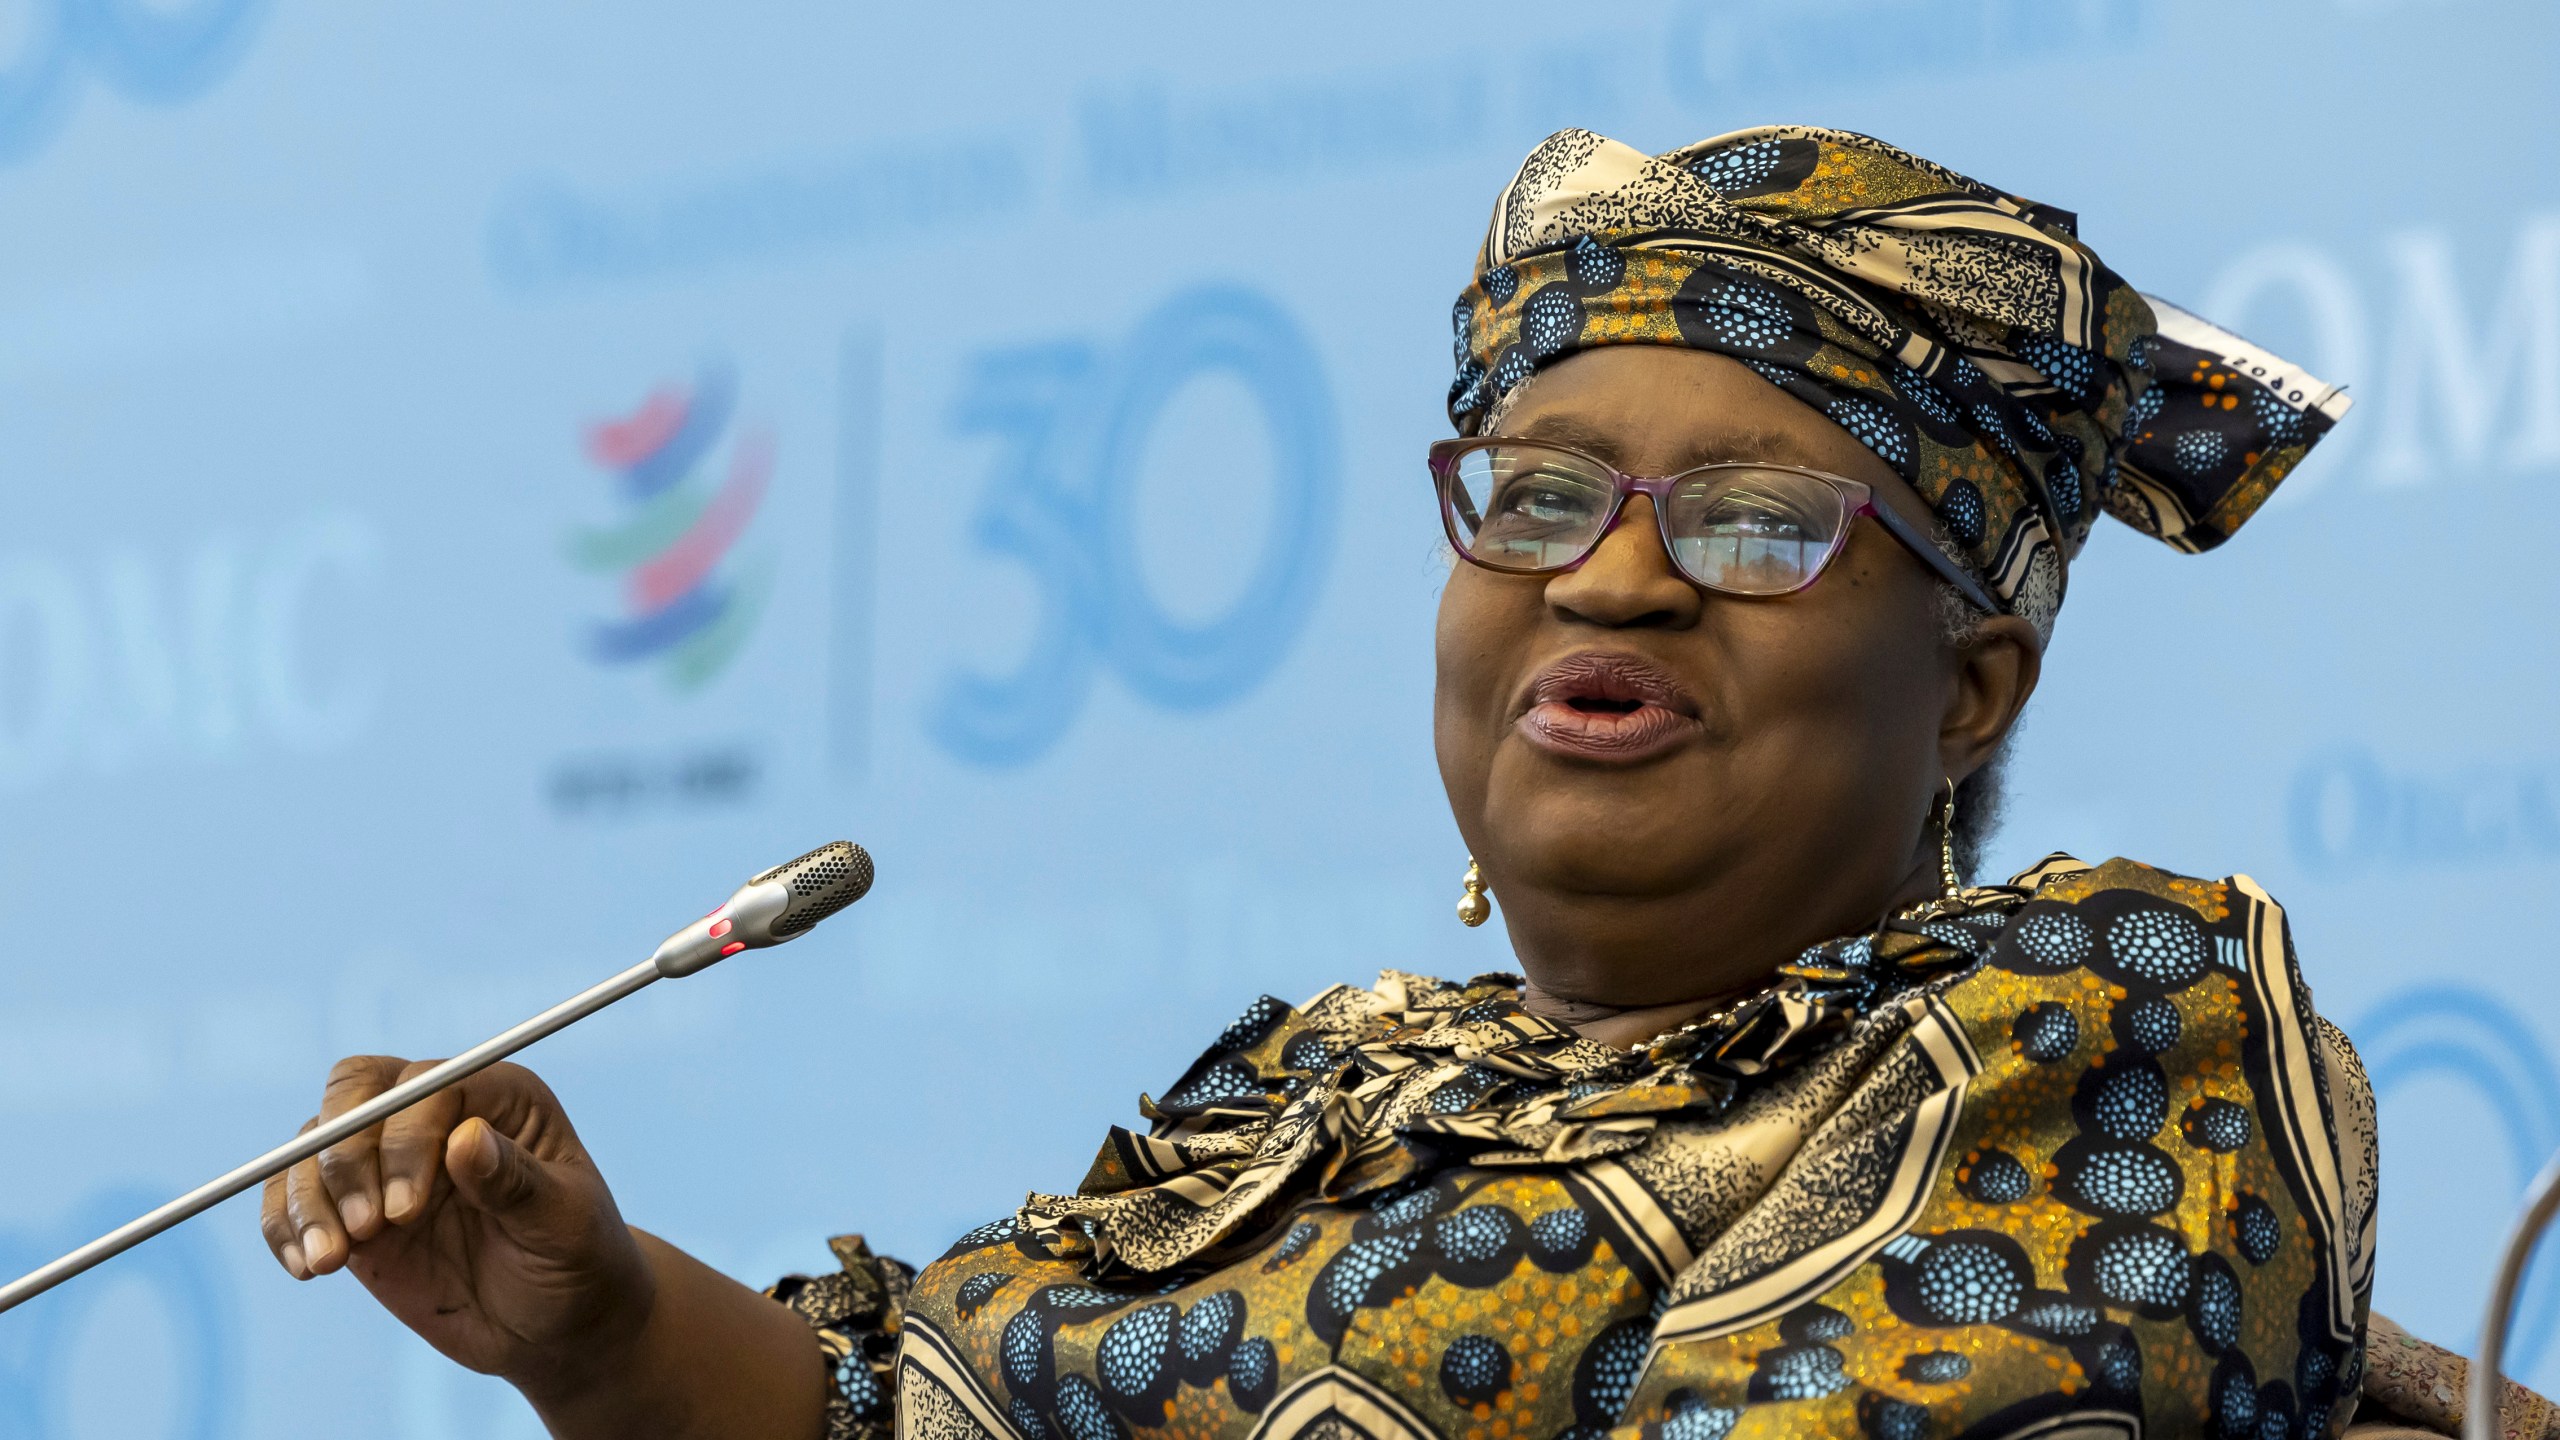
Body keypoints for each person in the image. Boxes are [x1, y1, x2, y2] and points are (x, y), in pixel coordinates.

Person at [262, 126, 2524, 1440]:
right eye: (1535, 501)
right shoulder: (1317, 1086)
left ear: (1964, 685)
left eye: (1751, 525)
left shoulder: (2090, 1023)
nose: (1612, 584)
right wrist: (598, 1328)